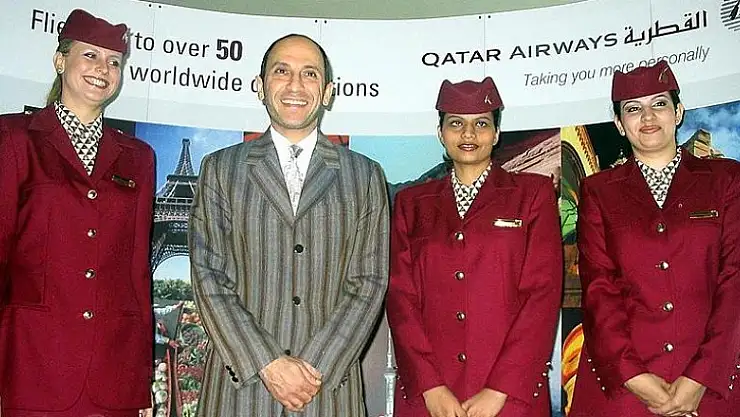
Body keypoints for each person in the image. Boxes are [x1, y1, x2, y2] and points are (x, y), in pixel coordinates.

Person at [189, 34, 389, 417]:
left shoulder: (364, 176)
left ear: (328, 92)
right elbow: (208, 275)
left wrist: (315, 366)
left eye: (309, 74)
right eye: (282, 71)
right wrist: (268, 363)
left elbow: (369, 281)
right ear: (260, 85)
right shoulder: (220, 169)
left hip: (328, 392)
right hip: (240, 390)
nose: (295, 85)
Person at [0, 9, 155, 417]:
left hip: (113, 371)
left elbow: (138, 272)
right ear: (60, 60)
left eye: (114, 62)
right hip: (32, 365)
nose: (103, 69)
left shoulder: (139, 157)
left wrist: (141, 377)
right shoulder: (13, 138)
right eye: (90, 55)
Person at [569, 60, 740, 417]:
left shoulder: (726, 179)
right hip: (624, 385)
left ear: (678, 112)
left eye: (659, 103)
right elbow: (599, 288)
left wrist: (701, 377)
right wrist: (635, 378)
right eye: (633, 109)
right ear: (620, 124)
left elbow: (735, 277)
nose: (647, 117)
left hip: (713, 380)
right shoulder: (598, 191)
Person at [387, 77, 562, 417]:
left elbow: (541, 294)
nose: (468, 134)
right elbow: (400, 299)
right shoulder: (412, 203)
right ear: (441, 133)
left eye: (481, 124)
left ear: (496, 133)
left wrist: (500, 390)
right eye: (456, 124)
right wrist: (430, 387)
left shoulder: (532, 194)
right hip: (429, 398)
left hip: (510, 396)